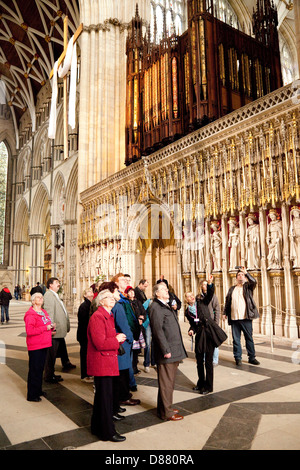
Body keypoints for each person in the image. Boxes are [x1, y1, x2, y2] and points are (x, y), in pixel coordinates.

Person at [87, 289, 127, 442]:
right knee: (105, 399)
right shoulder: (98, 317)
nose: (112, 299)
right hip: (102, 362)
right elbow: (100, 343)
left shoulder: (108, 315)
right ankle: (107, 432)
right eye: (108, 297)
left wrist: (118, 338)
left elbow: (107, 337)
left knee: (102, 398)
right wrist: (116, 340)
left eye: (112, 297)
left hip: (108, 361)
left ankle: (96, 427)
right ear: (101, 301)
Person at [149, 282, 187, 421]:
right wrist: (165, 350)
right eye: (163, 289)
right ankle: (167, 412)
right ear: (157, 293)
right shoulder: (155, 307)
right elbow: (158, 330)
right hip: (167, 351)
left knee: (168, 382)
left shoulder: (163, 305)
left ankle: (163, 408)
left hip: (173, 348)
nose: (167, 291)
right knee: (167, 383)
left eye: (166, 289)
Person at [99, 280, 140, 407]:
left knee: (122, 371)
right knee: (123, 371)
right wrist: (131, 338)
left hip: (118, 341)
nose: (118, 293)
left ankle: (121, 397)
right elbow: (124, 325)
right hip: (122, 342)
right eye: (116, 291)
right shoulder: (116, 306)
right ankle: (123, 396)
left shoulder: (115, 306)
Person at [184, 276, 226, 394]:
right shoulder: (188, 312)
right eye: (188, 296)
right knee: (199, 360)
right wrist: (191, 330)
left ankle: (208, 387)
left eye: (192, 295)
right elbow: (193, 324)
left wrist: (210, 284)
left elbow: (210, 294)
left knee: (208, 362)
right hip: (200, 335)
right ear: (186, 300)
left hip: (209, 333)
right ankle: (200, 382)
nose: (191, 297)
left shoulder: (202, 302)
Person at [223, 267, 260, 366]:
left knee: (249, 338)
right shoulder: (232, 289)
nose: (240, 276)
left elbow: (254, 281)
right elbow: (227, 302)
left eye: (242, 275)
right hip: (234, 318)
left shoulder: (248, 287)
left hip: (246, 317)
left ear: (245, 277)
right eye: (239, 275)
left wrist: (246, 273)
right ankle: (238, 357)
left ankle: (252, 357)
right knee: (236, 339)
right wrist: (224, 313)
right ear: (236, 278)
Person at [24, 292, 56, 402]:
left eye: (41, 297)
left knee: (40, 369)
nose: (41, 298)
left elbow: (46, 325)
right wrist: (45, 328)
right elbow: (30, 331)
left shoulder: (43, 312)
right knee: (34, 370)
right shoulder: (30, 314)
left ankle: (38, 390)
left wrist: (51, 328)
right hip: (35, 345)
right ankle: (32, 395)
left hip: (45, 344)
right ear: (33, 301)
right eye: (38, 297)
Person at [43, 277, 72, 383]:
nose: (58, 284)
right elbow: (49, 313)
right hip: (54, 331)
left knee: (55, 353)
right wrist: (51, 328)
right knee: (51, 355)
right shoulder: (49, 295)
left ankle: (52, 373)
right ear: (50, 285)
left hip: (59, 330)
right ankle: (49, 376)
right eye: (56, 283)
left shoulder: (54, 295)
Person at [125, 287, 147, 376]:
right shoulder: (126, 303)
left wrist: (142, 318)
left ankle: (135, 367)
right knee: (131, 349)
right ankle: (130, 368)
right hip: (131, 329)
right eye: (130, 292)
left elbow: (144, 313)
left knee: (136, 350)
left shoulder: (137, 302)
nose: (132, 293)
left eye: (133, 291)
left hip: (139, 328)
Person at [134, 279, 154, 373]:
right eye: (145, 286)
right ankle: (147, 363)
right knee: (148, 343)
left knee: (154, 343)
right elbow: (142, 309)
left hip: (155, 324)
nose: (146, 288)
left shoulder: (142, 292)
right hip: (148, 324)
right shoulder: (148, 301)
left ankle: (153, 361)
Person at [200, 280, 220, 366]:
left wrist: (216, 322)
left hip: (211, 322)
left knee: (214, 341)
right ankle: (205, 358)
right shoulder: (199, 297)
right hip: (203, 323)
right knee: (204, 341)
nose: (205, 286)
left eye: (206, 284)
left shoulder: (213, 296)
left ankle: (215, 359)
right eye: (203, 284)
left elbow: (217, 309)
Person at [77, 288, 94, 383]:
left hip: (86, 333)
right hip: (84, 334)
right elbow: (84, 322)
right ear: (85, 295)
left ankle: (88, 373)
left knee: (87, 354)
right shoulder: (84, 306)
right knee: (84, 354)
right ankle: (85, 375)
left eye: (91, 292)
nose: (91, 293)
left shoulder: (90, 305)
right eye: (89, 292)